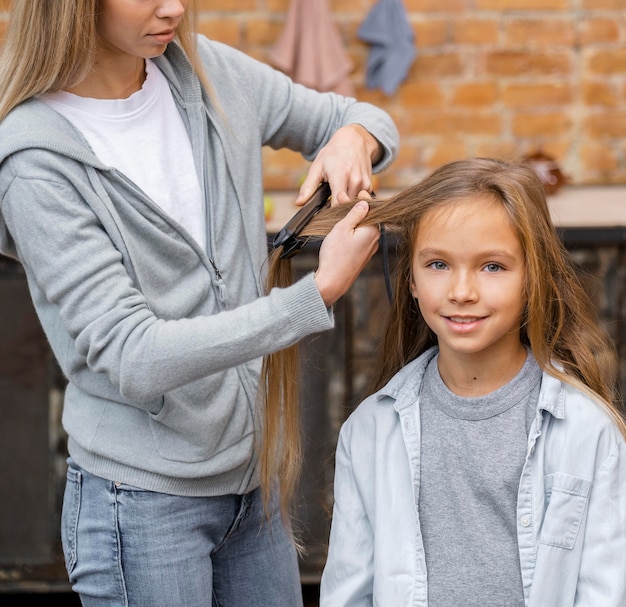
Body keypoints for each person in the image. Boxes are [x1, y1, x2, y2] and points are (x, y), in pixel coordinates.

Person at [0, 1, 399, 606]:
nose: (175, 7)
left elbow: (356, 115)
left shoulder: (210, 74)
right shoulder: (36, 162)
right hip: (142, 507)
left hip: (254, 486)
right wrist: (313, 295)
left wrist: (353, 138)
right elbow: (132, 355)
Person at [266, 157, 626, 606]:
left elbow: (604, 591)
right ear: (411, 279)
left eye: (492, 267)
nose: (462, 291)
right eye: (437, 264)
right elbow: (350, 591)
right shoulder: (370, 432)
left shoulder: (589, 432)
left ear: (533, 278)